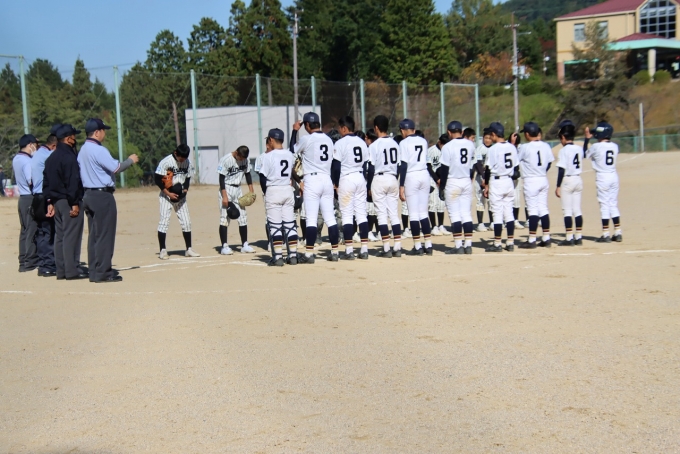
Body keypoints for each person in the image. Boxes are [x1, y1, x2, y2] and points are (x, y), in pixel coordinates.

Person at [78, 118, 139, 283]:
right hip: (102, 195)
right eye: (103, 130)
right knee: (105, 235)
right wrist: (130, 160)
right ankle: (103, 272)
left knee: (94, 235)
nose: (104, 133)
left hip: (88, 194)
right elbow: (116, 168)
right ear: (97, 132)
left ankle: (94, 271)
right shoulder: (99, 150)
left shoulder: (83, 149)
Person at [289, 112, 340, 264]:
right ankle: (335, 252)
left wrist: (294, 131)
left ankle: (309, 254)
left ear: (307, 125)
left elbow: (292, 150)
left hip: (312, 179)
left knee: (311, 218)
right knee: (330, 218)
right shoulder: (329, 139)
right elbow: (334, 162)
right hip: (326, 179)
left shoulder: (307, 139)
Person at [44, 124, 88, 280]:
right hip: (69, 201)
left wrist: (49, 202)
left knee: (60, 236)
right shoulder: (69, 157)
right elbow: (72, 182)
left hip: (56, 201)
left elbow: (46, 183)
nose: (75, 139)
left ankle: (61, 270)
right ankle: (72, 270)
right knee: (71, 236)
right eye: (74, 136)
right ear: (69, 139)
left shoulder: (51, 158)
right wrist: (74, 203)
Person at [259, 128, 299, 266]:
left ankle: (277, 257)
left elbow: (262, 177)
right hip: (287, 189)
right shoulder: (289, 154)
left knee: (275, 226)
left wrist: (266, 193)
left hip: (273, 190)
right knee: (290, 224)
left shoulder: (268, 156)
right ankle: (293, 256)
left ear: (271, 140)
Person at [332, 116, 370, 260]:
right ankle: (364, 249)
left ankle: (349, 250)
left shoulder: (340, 143)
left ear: (344, 128)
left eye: (340, 128)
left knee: (347, 216)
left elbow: (336, 167)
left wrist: (335, 183)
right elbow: (365, 165)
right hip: (360, 177)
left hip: (347, 178)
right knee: (361, 215)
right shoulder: (362, 142)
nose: (339, 130)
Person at [366, 115, 404, 258]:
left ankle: (387, 248)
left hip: (379, 178)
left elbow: (371, 168)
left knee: (382, 215)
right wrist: (395, 178)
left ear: (376, 128)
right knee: (394, 214)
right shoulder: (395, 144)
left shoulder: (374, 145)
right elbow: (399, 165)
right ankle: (397, 247)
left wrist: (369, 186)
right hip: (392, 178)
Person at [155, 144, 200, 259]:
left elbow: (188, 178)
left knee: (186, 222)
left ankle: (189, 249)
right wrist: (168, 193)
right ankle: (163, 250)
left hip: (181, 197)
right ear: (176, 153)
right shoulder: (166, 162)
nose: (183, 160)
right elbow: (157, 179)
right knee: (164, 222)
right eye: (181, 158)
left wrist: (185, 191)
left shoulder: (187, 162)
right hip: (166, 196)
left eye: (185, 158)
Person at [438, 121, 476, 254]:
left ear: (449, 132)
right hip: (466, 180)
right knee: (466, 214)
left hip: (453, 181)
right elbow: (472, 165)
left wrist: (442, 187)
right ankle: (468, 245)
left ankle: (459, 245)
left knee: (455, 215)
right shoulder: (470, 144)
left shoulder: (448, 146)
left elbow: (444, 169)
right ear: (462, 131)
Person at [516, 122, 554, 249]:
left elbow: (515, 160)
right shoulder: (546, 145)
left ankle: (532, 239)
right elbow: (549, 163)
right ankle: (546, 237)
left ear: (527, 134)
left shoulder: (525, 147)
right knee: (543, 208)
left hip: (531, 180)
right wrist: (541, 171)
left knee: (532, 210)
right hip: (543, 178)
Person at [482, 122, 520, 252]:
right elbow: (516, 167)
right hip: (508, 181)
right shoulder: (512, 147)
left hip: (497, 181)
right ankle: (510, 242)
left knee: (497, 213)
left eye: (490, 134)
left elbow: (488, 169)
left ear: (494, 134)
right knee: (509, 213)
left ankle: (497, 243)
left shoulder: (493, 149)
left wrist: (486, 185)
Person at [398, 119, 433, 256]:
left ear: (403, 130)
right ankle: (428, 245)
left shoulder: (403, 143)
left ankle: (418, 246)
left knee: (413, 214)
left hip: (411, 175)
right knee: (423, 213)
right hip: (424, 174)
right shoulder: (423, 141)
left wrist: (401, 185)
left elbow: (404, 165)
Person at [585, 122, 622, 242]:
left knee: (604, 205)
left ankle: (606, 234)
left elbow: (585, 153)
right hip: (613, 175)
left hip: (602, 176)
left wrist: (587, 139)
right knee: (613, 203)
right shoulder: (615, 146)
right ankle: (618, 232)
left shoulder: (596, 146)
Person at [31, 127, 59, 277]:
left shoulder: (37, 153)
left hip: (36, 196)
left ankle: (43, 262)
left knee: (42, 231)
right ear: (54, 146)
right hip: (45, 196)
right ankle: (48, 264)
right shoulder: (48, 156)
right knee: (49, 231)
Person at [217, 146, 256, 255]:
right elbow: (221, 179)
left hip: (238, 189)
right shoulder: (226, 160)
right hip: (226, 188)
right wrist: (224, 196)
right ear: (237, 153)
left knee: (243, 217)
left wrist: (251, 191)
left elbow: (248, 174)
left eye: (244, 158)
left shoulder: (245, 160)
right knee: (225, 218)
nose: (242, 160)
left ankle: (245, 245)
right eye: (241, 158)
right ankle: (224, 246)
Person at [554, 123, 584, 246]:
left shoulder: (563, 150)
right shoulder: (579, 148)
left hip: (567, 180)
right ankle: (579, 236)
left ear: (563, 137)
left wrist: (558, 186)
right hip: (578, 179)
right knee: (577, 210)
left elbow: (561, 169)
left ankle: (569, 237)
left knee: (567, 211)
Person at [13, 134, 39, 272]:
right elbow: (31, 180)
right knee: (32, 230)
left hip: (22, 198)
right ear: (30, 145)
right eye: (35, 144)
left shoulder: (17, 158)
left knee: (24, 230)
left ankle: (23, 260)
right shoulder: (28, 161)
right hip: (30, 197)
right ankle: (30, 261)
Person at [426, 134, 449, 236]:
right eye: (443, 145)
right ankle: (434, 227)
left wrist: (443, 180)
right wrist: (437, 179)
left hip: (442, 180)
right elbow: (428, 167)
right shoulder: (431, 151)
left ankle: (441, 226)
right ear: (439, 142)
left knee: (441, 204)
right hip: (432, 179)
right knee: (432, 203)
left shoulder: (447, 151)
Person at [473, 129, 493, 232]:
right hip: (481, 177)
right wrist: (484, 178)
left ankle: (492, 222)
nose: (487, 140)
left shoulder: (494, 149)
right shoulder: (479, 149)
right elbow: (478, 164)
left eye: (490, 138)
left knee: (491, 201)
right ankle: (480, 224)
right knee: (480, 200)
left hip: (491, 177)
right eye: (486, 138)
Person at [363, 129, 379, 242]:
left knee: (375, 208)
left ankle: (376, 231)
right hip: (367, 180)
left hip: (373, 179)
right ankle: (368, 231)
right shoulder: (368, 149)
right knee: (370, 209)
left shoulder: (372, 149)